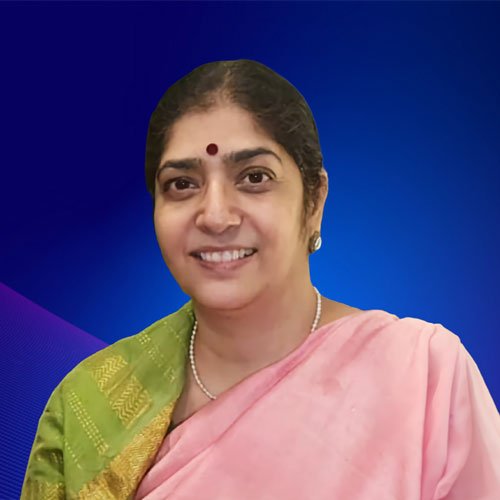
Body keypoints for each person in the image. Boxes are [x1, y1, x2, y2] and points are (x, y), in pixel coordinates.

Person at [21, 59, 500, 500]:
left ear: (314, 201)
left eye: (253, 177)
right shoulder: (89, 403)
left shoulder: (424, 379)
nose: (215, 215)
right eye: (182, 184)